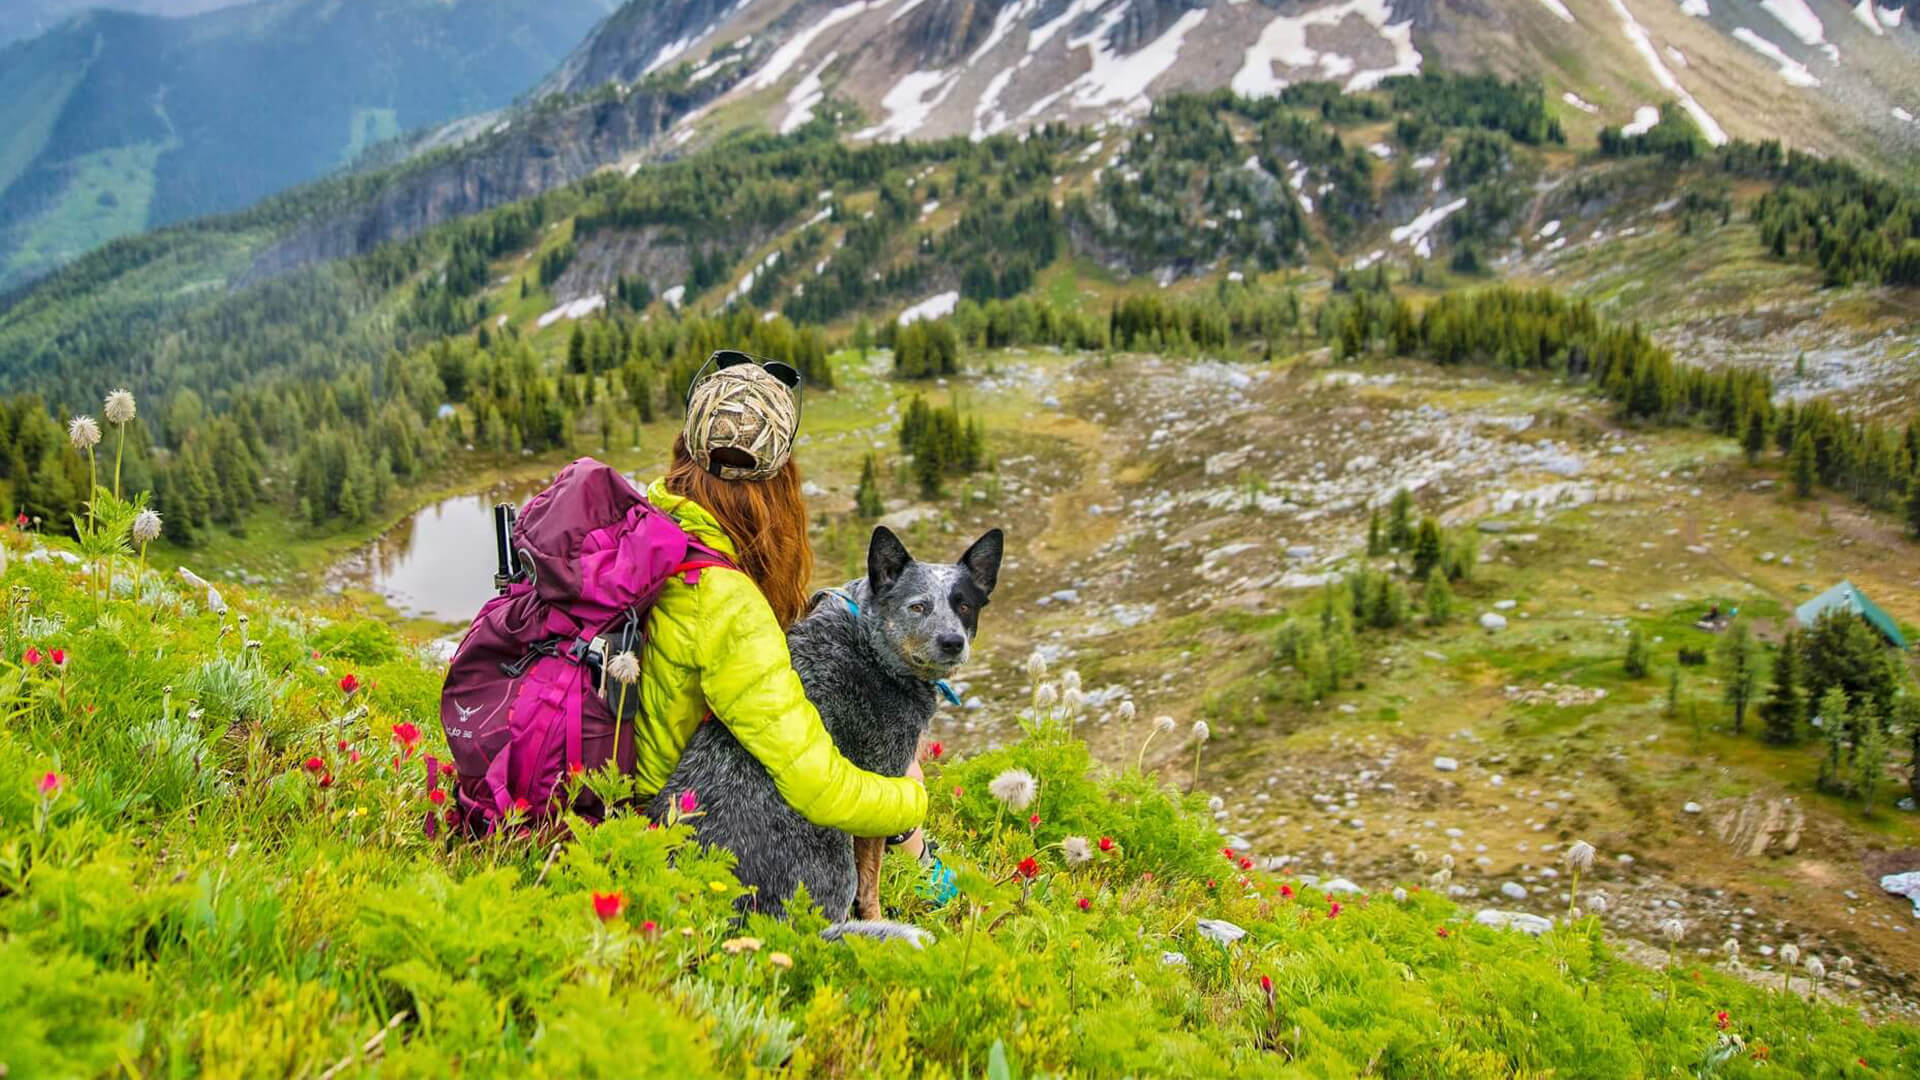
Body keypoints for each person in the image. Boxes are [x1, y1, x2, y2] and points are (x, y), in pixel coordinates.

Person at [626, 352, 929, 849]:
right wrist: (910, 800)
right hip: (675, 828)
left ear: (683, 452)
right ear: (780, 482)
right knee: (896, 765)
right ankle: (935, 888)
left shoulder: (649, 531)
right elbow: (818, 786)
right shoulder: (727, 603)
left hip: (614, 792)